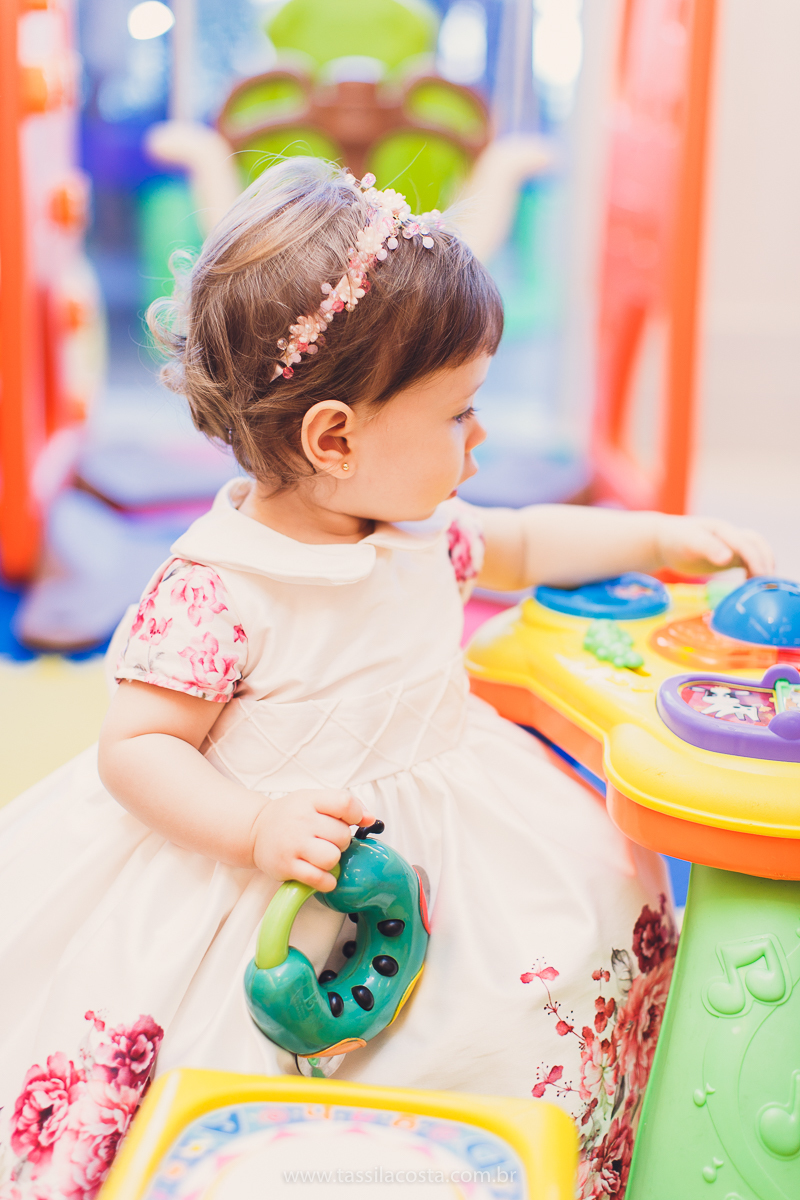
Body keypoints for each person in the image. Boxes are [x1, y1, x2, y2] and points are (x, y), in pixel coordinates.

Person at [0, 159, 774, 1200]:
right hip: (273, 866)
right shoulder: (222, 587)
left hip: (459, 822)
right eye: (458, 412)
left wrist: (661, 535)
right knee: (265, 1095)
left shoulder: (418, 531)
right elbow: (136, 749)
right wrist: (254, 828)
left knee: (559, 955)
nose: (480, 435)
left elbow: (528, 538)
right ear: (335, 438)